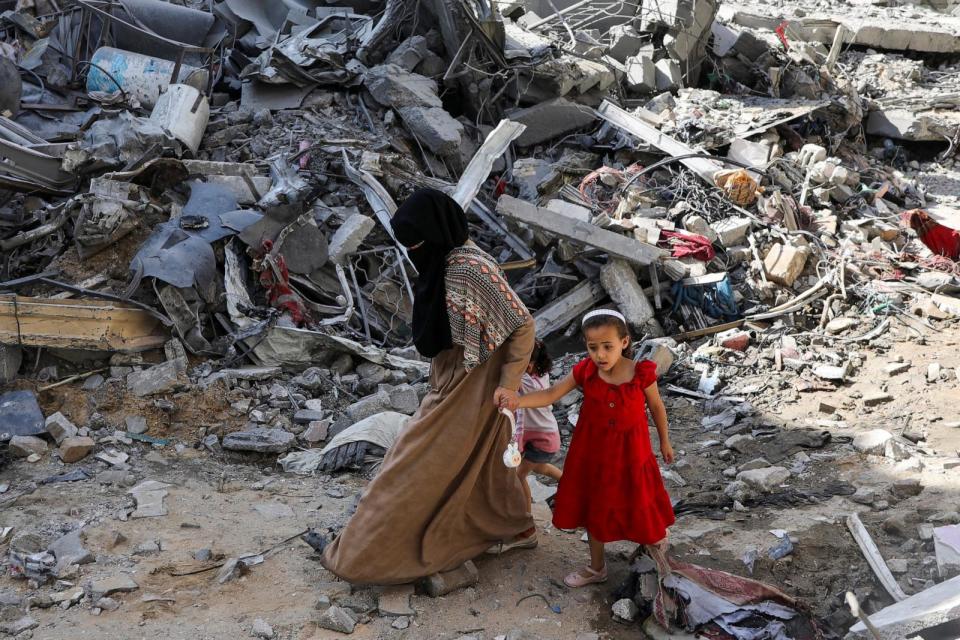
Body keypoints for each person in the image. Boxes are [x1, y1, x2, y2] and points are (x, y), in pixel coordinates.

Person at [319, 187, 537, 584]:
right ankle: (516, 527)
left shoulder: (470, 267)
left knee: (411, 464)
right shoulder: (444, 262)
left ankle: (357, 558)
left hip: (475, 382)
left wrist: (508, 385)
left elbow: (521, 323)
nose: (415, 251)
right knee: (479, 461)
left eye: (419, 242)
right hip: (451, 377)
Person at [502, 309, 675, 587]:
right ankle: (597, 568)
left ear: (624, 342)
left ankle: (651, 539)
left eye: (608, 347)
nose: (600, 355)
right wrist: (517, 401)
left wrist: (665, 441)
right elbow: (551, 394)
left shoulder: (640, 373)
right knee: (594, 506)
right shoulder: (586, 371)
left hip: (632, 453)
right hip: (592, 455)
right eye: (593, 347)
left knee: (639, 496)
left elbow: (656, 406)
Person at [514, 340, 562, 515]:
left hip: (543, 438)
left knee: (519, 475)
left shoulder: (526, 381)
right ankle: (570, 485)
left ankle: (526, 517)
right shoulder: (542, 376)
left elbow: (509, 376)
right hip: (547, 434)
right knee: (540, 468)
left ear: (532, 363)